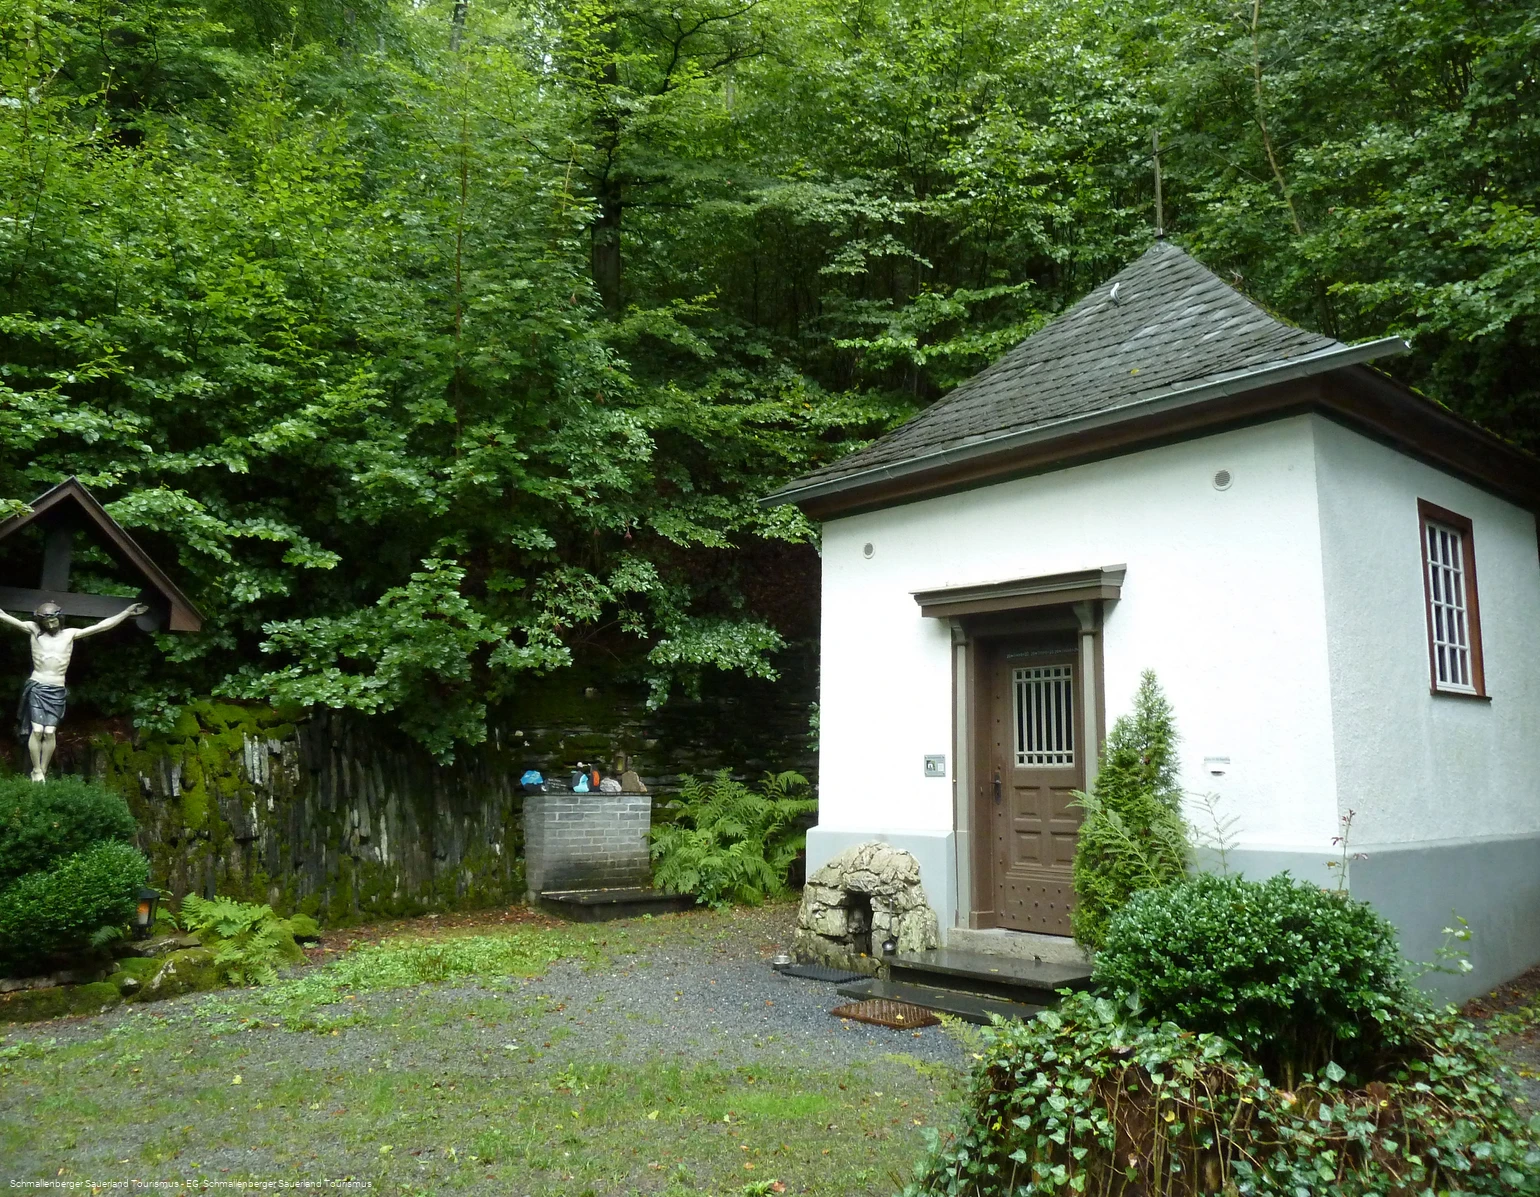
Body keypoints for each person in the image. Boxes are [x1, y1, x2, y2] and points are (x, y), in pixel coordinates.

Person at [0, 600, 149, 781]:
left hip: (56, 689)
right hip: (37, 686)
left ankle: (44, 770)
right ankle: (36, 770)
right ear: (41, 622)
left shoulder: (69, 635)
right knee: (37, 730)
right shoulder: (34, 630)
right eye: (47, 622)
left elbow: (101, 626)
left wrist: (125, 613)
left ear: (60, 619)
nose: (51, 624)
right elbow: (5, 616)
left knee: (49, 732)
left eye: (54, 621)